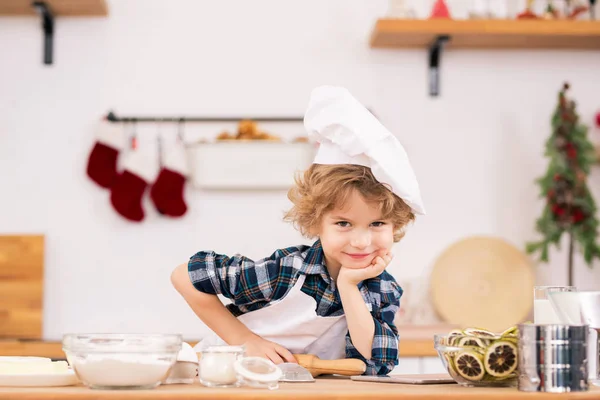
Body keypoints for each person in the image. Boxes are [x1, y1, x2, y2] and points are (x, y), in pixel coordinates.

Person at [171, 86, 425, 375]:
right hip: (219, 377)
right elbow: (184, 276)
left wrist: (348, 286)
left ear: (396, 224)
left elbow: (376, 362)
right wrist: (246, 340)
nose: (361, 241)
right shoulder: (287, 270)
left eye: (377, 224)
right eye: (343, 223)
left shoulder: (383, 288)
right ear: (317, 222)